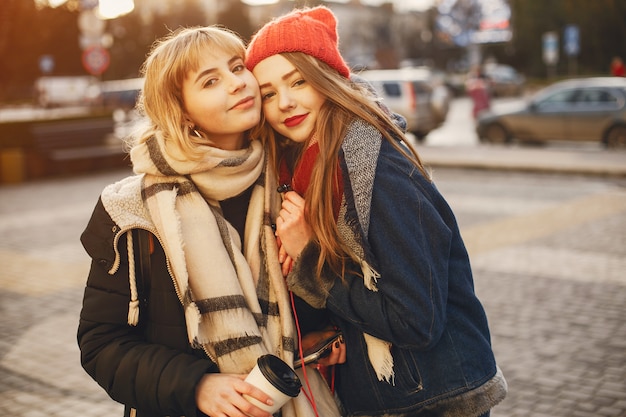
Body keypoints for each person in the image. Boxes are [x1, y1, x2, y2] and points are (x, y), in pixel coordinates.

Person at [246, 6, 507, 417]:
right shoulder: (301, 173)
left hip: (431, 401)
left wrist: (309, 256)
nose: (285, 103)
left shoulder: (375, 169)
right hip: (391, 396)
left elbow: (415, 320)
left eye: (298, 81)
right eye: (268, 93)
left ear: (328, 80)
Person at [77, 25, 339, 417]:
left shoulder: (293, 182)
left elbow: (328, 310)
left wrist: (311, 264)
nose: (237, 84)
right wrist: (195, 385)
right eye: (211, 80)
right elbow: (101, 344)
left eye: (237, 67)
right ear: (181, 110)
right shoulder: (132, 210)